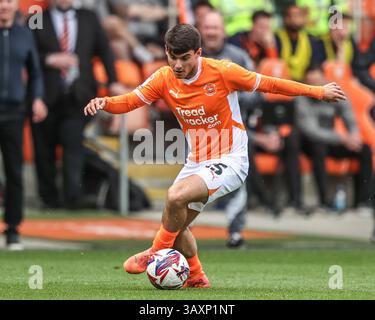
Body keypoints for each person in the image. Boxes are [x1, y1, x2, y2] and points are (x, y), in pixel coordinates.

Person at [84, 24, 346, 288]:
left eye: (184, 58)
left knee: (175, 196)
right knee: (176, 227)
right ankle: (197, 276)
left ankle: (153, 252)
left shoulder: (222, 72)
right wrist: (104, 102)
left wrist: (318, 91)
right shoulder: (164, 78)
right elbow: (130, 101)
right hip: (196, 162)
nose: (177, 65)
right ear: (166, 52)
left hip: (231, 159)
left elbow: (269, 84)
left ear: (198, 53)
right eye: (172, 57)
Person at [31, 0, 123, 209]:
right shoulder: (37, 18)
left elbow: (105, 50)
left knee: (72, 144)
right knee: (43, 149)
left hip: (78, 96)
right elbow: (28, 51)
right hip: (44, 97)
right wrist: (49, 59)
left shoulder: (88, 17)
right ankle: (49, 200)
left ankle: (72, 199)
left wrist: (113, 81)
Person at [198, 9, 256, 248]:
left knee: (239, 180)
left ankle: (235, 231)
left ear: (224, 31)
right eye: (207, 28)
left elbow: (257, 94)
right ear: (200, 31)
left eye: (216, 27)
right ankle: (182, 233)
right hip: (198, 132)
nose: (211, 32)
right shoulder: (191, 59)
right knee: (190, 184)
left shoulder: (239, 57)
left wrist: (230, 95)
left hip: (232, 132)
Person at [0, 0, 47, 249]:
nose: (3, 6)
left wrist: (37, 98)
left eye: (8, 1)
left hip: (14, 112)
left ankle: (13, 229)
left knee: (14, 172)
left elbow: (35, 72)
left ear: (15, 4)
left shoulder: (24, 34)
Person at [296, 65, 373, 209]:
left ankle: (362, 202)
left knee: (364, 149)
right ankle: (324, 201)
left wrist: (354, 136)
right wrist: (342, 138)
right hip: (311, 142)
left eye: (317, 78)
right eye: (311, 80)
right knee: (318, 147)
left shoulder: (333, 91)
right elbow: (312, 131)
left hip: (332, 140)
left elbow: (349, 115)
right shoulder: (302, 97)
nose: (315, 82)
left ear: (324, 78)